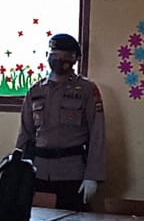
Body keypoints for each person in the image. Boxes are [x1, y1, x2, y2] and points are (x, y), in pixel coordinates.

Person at [15, 33, 106, 211]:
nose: (58, 60)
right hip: (38, 171)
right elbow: (25, 134)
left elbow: (97, 135)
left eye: (65, 56)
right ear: (47, 56)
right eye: (54, 55)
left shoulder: (86, 90)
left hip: (72, 173)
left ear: (75, 59)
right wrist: (18, 169)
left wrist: (93, 176)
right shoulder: (35, 90)